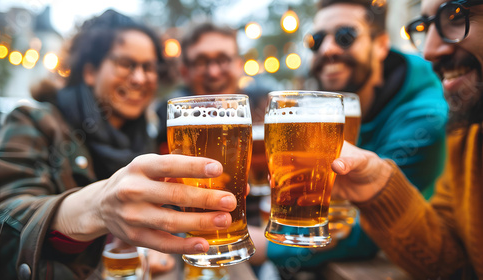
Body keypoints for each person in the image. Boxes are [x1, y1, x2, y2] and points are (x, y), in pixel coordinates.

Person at [0, 10, 239, 280]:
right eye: (127, 64)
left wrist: (153, 245)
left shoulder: (148, 137)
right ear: (90, 72)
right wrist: (95, 208)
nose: (140, 78)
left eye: (149, 67)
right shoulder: (35, 121)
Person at [255, 0, 450, 276]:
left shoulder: (426, 118)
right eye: (317, 40)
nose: (328, 49)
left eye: (346, 36)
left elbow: (364, 231)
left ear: (381, 44)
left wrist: (263, 246)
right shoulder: (330, 111)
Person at [331, 0, 483, 278]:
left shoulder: (432, 117)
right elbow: (452, 263)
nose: (429, 51)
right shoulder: (468, 132)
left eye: (456, 15)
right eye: (424, 27)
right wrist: (379, 188)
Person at [155, 22, 244, 153]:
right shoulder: (168, 123)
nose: (213, 72)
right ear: (185, 72)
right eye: (201, 62)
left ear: (239, 66)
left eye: (223, 60)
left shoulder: (262, 111)